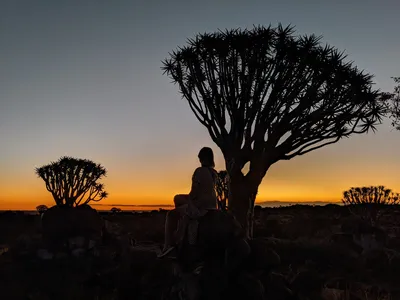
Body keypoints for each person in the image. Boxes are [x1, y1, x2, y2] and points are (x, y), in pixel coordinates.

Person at [158, 147, 218, 258]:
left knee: (171, 214)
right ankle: (182, 226)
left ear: (202, 158)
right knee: (178, 198)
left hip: (201, 206)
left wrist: (189, 199)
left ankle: (168, 245)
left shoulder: (199, 171)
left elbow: (194, 192)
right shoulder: (214, 173)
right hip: (212, 205)